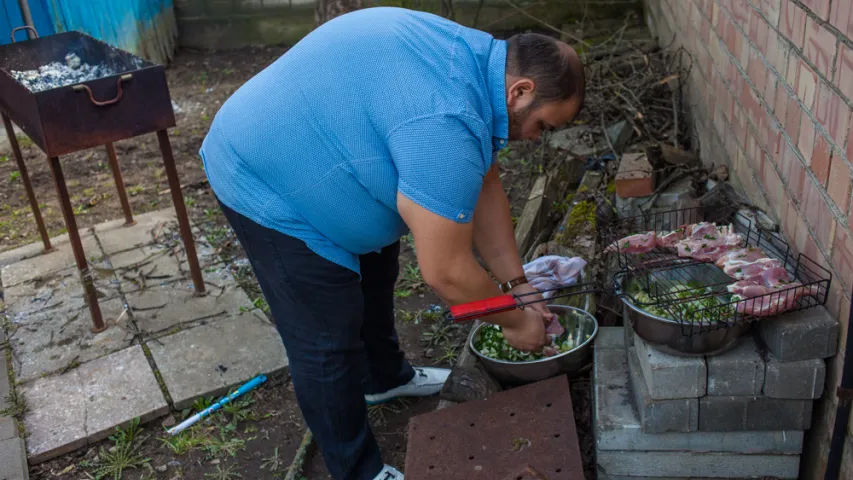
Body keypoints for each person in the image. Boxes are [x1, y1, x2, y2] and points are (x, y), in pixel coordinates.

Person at [199, 6, 585, 480]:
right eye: (543, 125)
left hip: (334, 144)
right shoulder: (448, 118)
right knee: (326, 335)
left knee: (378, 268)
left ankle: (382, 378)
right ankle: (357, 470)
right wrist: (513, 320)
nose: (535, 138)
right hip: (264, 173)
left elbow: (483, 183)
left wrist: (516, 283)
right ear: (520, 91)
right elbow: (445, 271)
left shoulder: (476, 63)